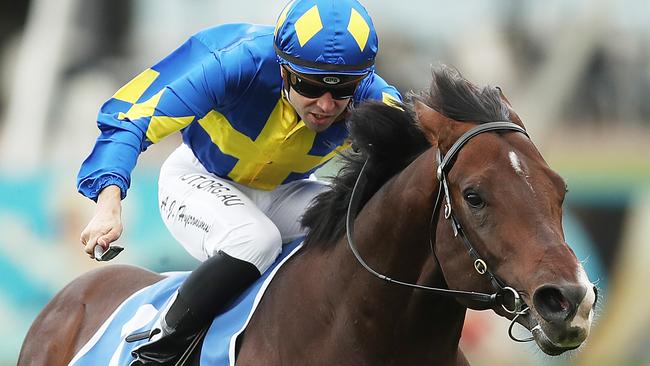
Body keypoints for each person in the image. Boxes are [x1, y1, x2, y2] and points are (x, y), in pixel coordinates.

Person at [77, 0, 401, 364]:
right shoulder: (232, 62)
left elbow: (428, 156)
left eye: (343, 89)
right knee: (255, 240)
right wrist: (108, 205)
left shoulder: (374, 97)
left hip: (286, 192)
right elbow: (130, 116)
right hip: (197, 178)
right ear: (283, 70)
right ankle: (156, 350)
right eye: (310, 85)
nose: (326, 105)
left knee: (360, 226)